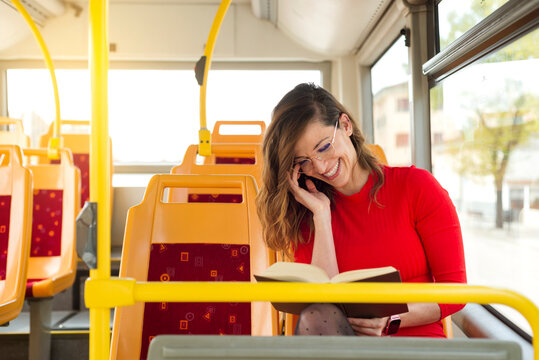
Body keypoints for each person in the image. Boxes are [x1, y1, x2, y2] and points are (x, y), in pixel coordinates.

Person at [256, 83, 466, 337]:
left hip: (415, 343)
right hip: (346, 349)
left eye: (324, 147)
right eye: (304, 162)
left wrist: (392, 318)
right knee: (317, 314)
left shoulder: (418, 188)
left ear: (346, 126)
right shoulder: (307, 213)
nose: (321, 167)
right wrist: (321, 216)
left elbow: (455, 292)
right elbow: (323, 312)